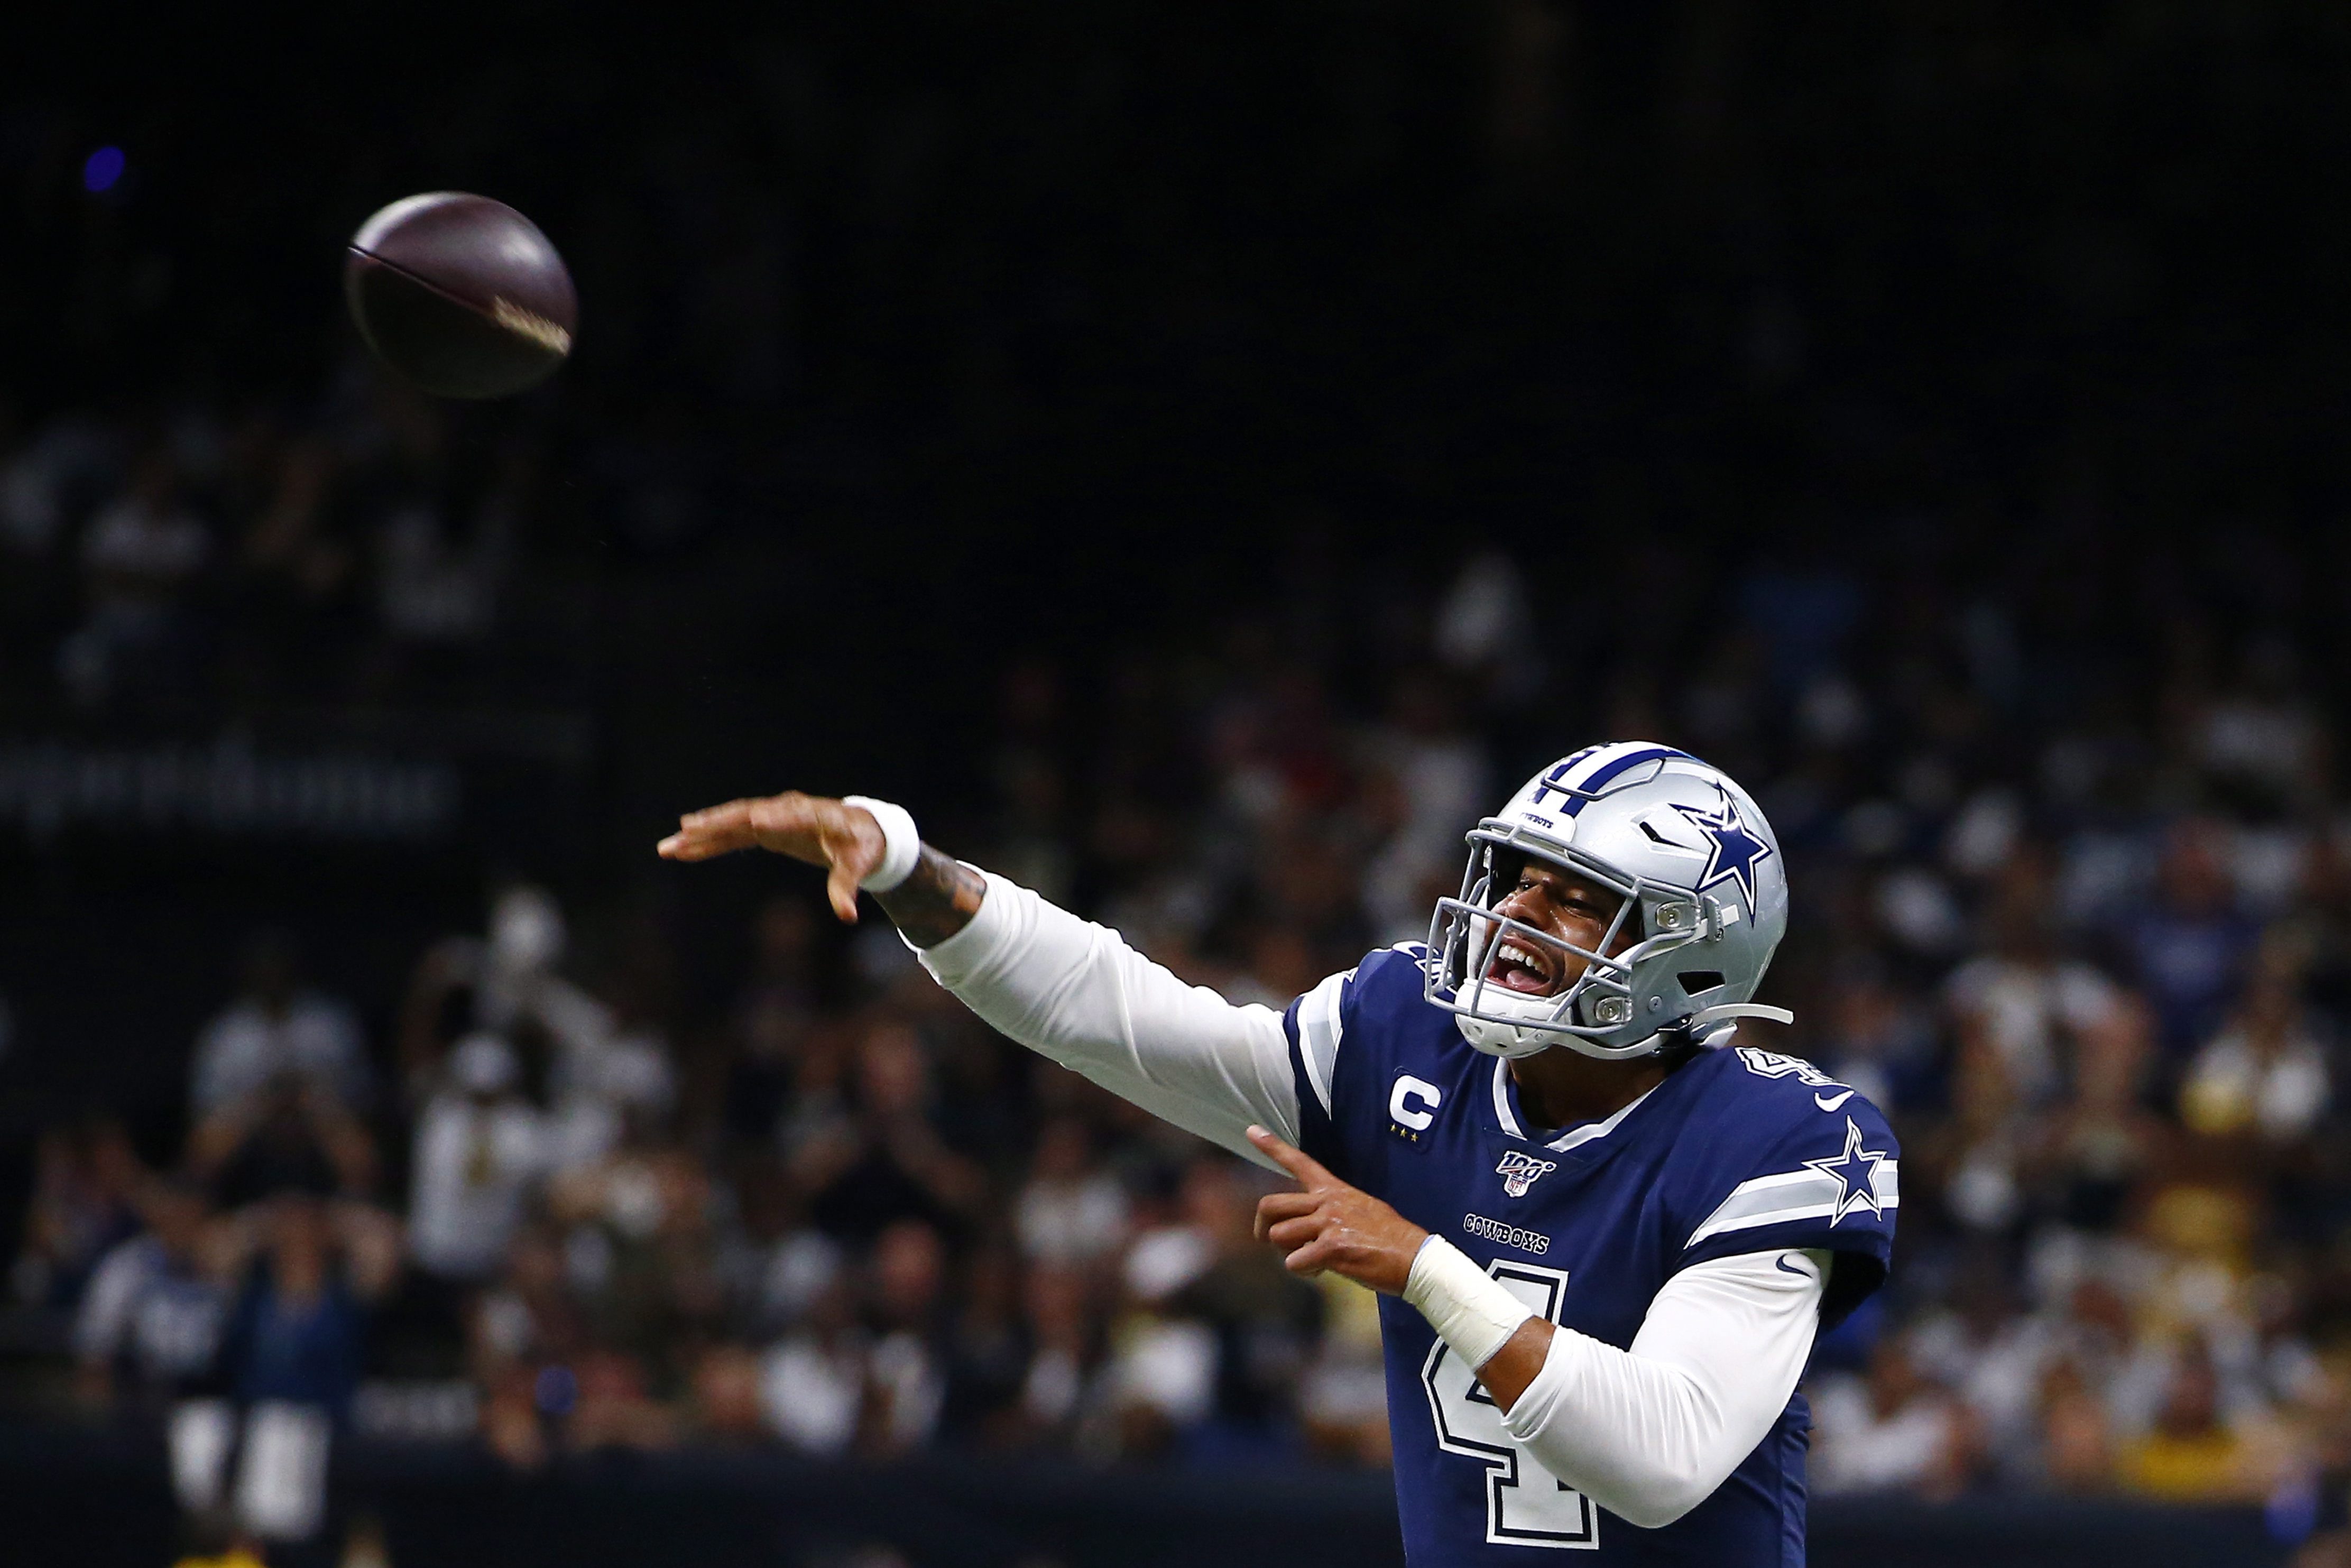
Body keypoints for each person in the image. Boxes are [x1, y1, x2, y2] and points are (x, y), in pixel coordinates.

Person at [660, 745, 1901, 1565]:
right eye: (1514, 877)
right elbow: (1120, 1018)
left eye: (1575, 896)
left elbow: (1661, 1455)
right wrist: (906, 866)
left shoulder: (1782, 1141)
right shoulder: (1406, 1041)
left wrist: (1424, 1265)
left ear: (1694, 951)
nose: (1517, 912)